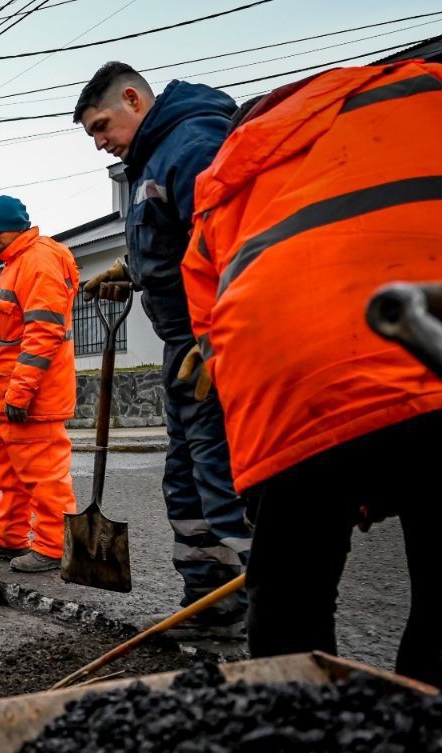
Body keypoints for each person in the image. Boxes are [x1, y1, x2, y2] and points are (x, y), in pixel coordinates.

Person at [180, 60, 442, 684]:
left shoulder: (228, 173)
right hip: (428, 360)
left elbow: (215, 336)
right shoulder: (422, 90)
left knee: (289, 599)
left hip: (289, 382)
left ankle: (293, 717)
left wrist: (324, 477)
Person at [74, 62, 251, 635]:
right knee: (187, 480)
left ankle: (274, 614)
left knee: (220, 479)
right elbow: (176, 239)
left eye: (102, 127)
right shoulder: (153, 160)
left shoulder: (195, 144)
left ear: (133, 98)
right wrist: (132, 271)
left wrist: (217, 339)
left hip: (214, 348)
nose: (100, 144)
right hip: (185, 347)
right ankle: (210, 604)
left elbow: (231, 243)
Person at [0, 196, 79, 573]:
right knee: (9, 475)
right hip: (7, 397)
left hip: (31, 398)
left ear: (16, 226)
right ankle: (10, 538)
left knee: (43, 475)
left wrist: (21, 392)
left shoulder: (39, 260)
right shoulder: (16, 264)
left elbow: (44, 332)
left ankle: (53, 547)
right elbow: (4, 317)